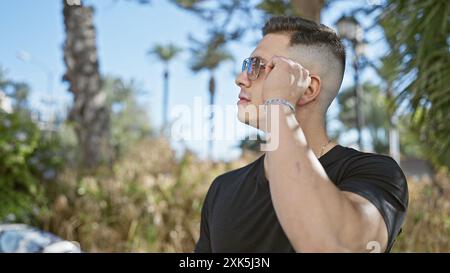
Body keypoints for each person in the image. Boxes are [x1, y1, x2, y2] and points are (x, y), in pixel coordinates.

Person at [195, 16, 408, 253]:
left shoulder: (375, 173)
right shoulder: (223, 188)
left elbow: (340, 246)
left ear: (308, 89)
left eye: (257, 66)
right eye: (246, 65)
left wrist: (279, 103)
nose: (240, 78)